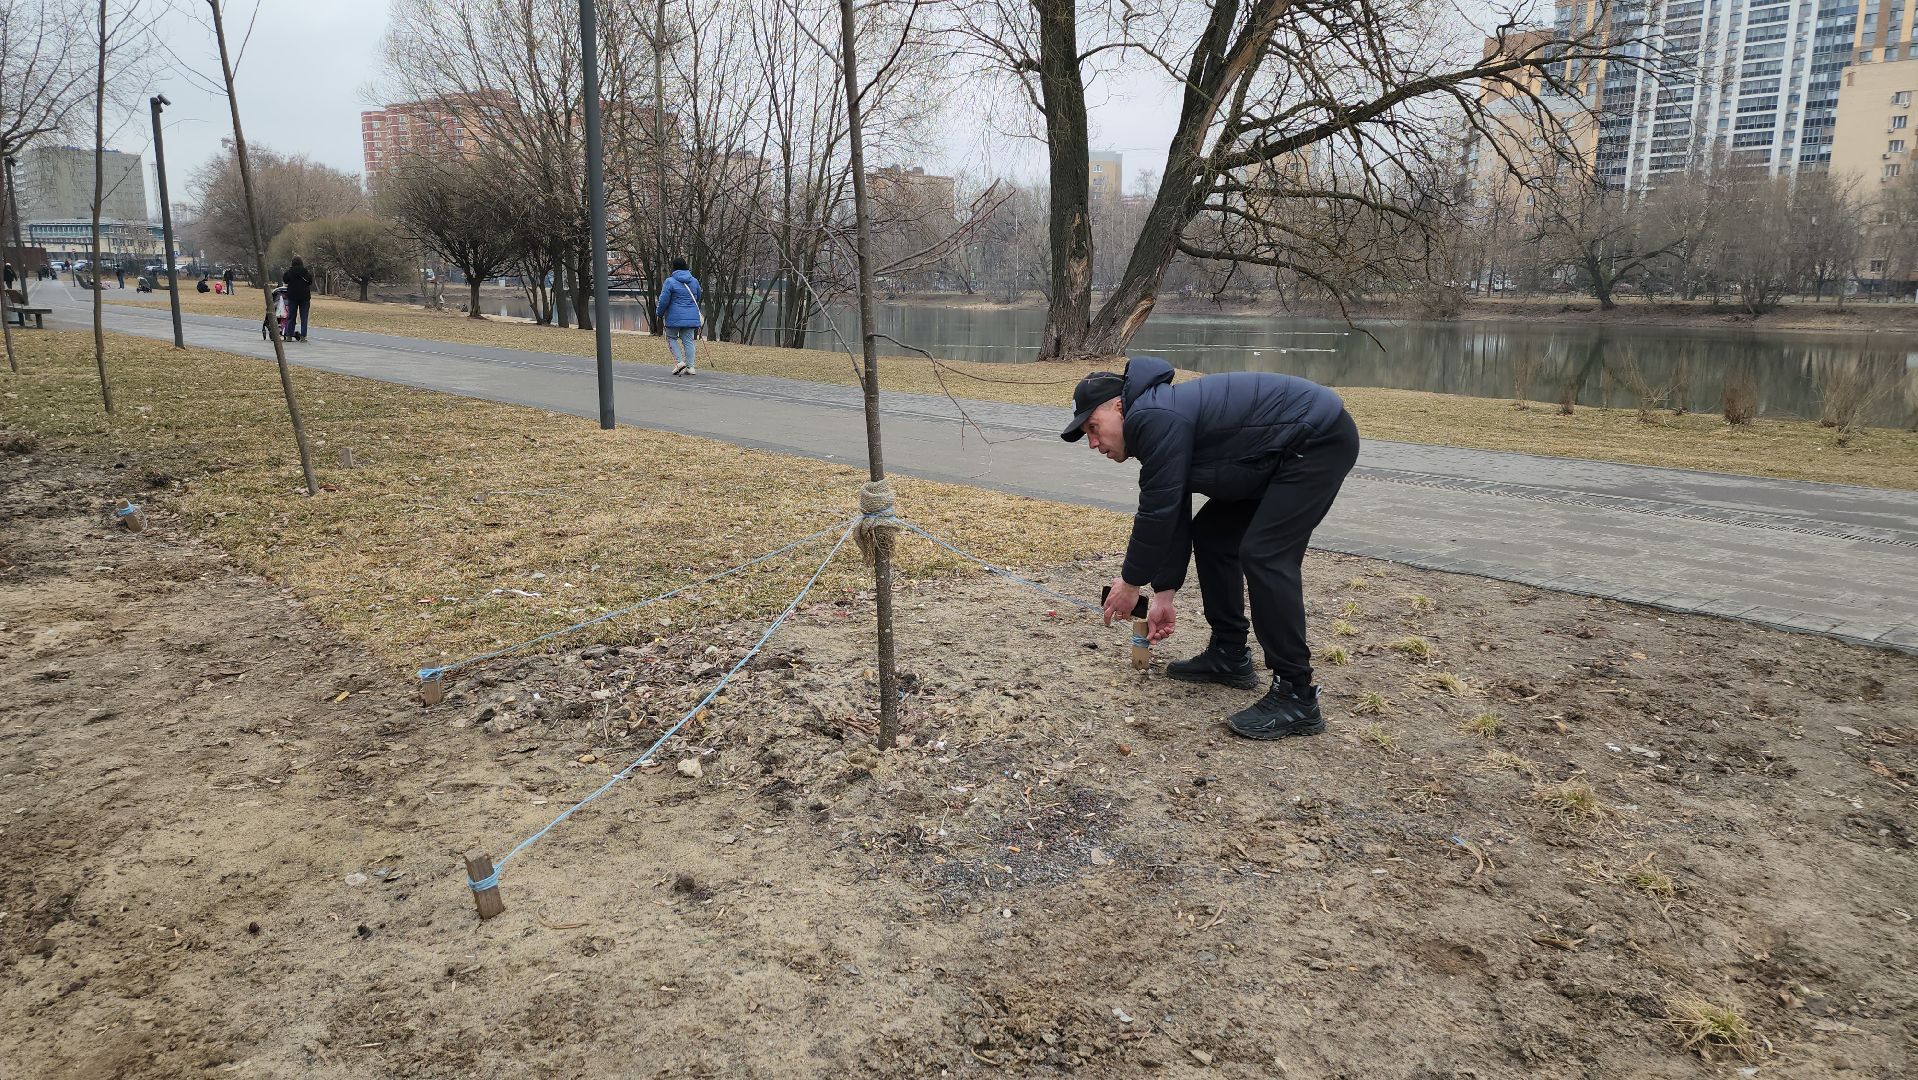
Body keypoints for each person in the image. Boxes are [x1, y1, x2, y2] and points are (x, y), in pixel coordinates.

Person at [1065, 356, 1361, 741]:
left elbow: (1156, 511)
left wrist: (1131, 582)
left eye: (1093, 427)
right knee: (1213, 535)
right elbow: (1173, 509)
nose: (1092, 442)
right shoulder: (1157, 418)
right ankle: (1229, 654)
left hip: (1316, 439)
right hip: (1272, 454)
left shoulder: (1153, 416)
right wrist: (1164, 592)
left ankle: (1297, 695)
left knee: (1265, 554)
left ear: (1118, 407)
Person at [656, 257, 702, 375]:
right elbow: (698, 297)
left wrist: (659, 313)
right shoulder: (694, 281)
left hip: (674, 316)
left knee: (671, 338)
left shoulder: (670, 281)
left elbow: (663, 300)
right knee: (688, 340)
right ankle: (691, 367)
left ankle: (679, 362)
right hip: (691, 316)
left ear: (674, 268)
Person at [281, 256, 314, 341]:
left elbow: (285, 280)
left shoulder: (290, 272)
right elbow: (310, 281)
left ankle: (289, 335)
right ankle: (303, 336)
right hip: (305, 298)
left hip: (292, 297)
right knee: (304, 318)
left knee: (291, 316)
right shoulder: (305, 272)